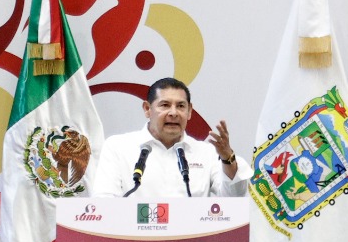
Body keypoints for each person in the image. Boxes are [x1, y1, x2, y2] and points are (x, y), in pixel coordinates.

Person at [92, 77, 252, 197]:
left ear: (189, 111)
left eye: (181, 106)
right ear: (147, 109)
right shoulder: (118, 147)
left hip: (192, 233)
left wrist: (228, 159)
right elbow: (105, 202)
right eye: (165, 105)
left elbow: (234, 197)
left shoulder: (207, 153)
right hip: (131, 232)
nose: (174, 113)